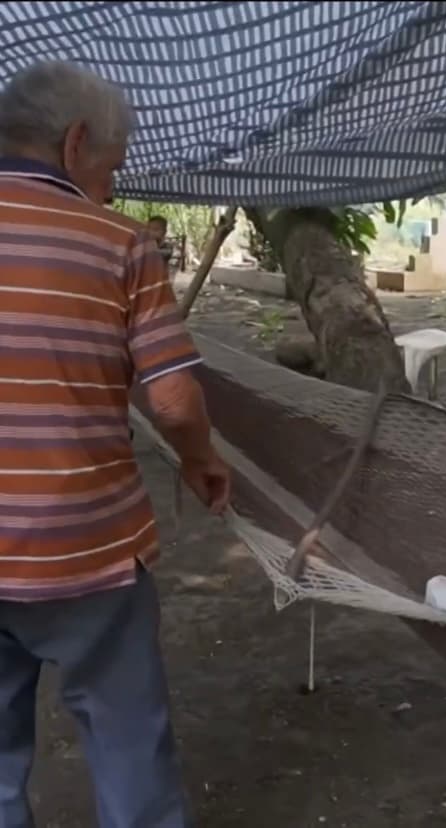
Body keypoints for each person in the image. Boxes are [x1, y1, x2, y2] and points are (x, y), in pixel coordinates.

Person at [0, 60, 230, 826]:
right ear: (75, 145)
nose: (113, 188)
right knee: (129, 746)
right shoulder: (121, 244)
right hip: (87, 550)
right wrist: (201, 463)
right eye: (112, 169)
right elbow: (171, 397)